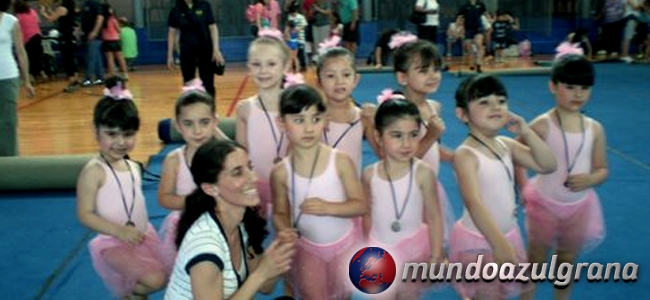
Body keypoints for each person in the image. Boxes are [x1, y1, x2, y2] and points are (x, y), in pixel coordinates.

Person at [449, 74, 556, 299]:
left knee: (525, 287)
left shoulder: (506, 144)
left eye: (501, 101)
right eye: (484, 102)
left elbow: (547, 164)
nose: (495, 107)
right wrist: (498, 243)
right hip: (480, 239)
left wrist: (526, 132)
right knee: (488, 294)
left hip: (509, 234)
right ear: (462, 114)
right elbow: (473, 202)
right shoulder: (466, 154)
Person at [519, 54, 607, 300]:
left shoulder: (594, 128)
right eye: (570, 87)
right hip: (543, 203)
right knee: (536, 257)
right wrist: (523, 185)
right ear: (553, 86)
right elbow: (516, 154)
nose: (577, 94)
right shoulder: (542, 124)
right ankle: (527, 295)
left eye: (584, 88)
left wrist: (591, 179)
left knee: (567, 258)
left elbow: (602, 168)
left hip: (579, 206)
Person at [164, 139, 297, 300]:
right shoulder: (205, 249)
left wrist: (275, 260)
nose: (253, 178)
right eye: (237, 172)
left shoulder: (242, 222)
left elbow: (266, 288)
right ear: (211, 188)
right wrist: (261, 273)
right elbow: (260, 279)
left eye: (250, 167)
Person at [271, 84, 366, 300]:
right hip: (307, 248)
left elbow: (360, 205)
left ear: (325, 120)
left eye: (315, 119)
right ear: (282, 123)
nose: (308, 128)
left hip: (344, 244)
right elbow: (279, 212)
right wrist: (284, 229)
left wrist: (328, 208)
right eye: (298, 120)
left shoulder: (340, 161)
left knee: (343, 295)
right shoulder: (280, 172)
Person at [76, 76, 168, 299]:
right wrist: (119, 231)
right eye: (111, 134)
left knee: (165, 275)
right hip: (112, 242)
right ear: (95, 130)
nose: (120, 142)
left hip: (143, 236)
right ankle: (128, 295)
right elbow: (84, 214)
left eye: (128, 134)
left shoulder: (133, 166)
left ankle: (134, 296)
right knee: (154, 279)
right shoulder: (94, 171)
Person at [362, 97, 444, 299]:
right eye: (397, 135)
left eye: (413, 135)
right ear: (378, 137)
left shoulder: (423, 172)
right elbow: (367, 216)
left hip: (413, 251)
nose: (407, 143)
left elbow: (434, 217)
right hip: (379, 249)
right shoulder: (369, 174)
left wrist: (435, 255)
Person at [392, 36, 455, 243]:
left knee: (431, 243)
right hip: (405, 189)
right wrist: (430, 135)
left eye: (436, 69)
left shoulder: (434, 107)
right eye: (423, 70)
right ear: (402, 78)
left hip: (430, 187)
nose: (432, 76)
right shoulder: (398, 109)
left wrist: (457, 158)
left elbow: (434, 150)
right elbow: (401, 160)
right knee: (409, 245)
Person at [157, 80, 223, 272]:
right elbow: (164, 198)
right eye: (188, 123)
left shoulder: (223, 156)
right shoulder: (174, 159)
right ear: (178, 125)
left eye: (204, 122)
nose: (197, 131)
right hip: (186, 227)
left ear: (215, 122)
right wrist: (196, 201)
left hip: (220, 225)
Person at [235, 33, 291, 218]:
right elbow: (240, 150)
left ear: (285, 66)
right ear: (249, 68)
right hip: (255, 183)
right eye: (256, 64)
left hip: (288, 182)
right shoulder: (245, 108)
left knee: (287, 229)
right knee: (256, 232)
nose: (263, 70)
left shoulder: (295, 106)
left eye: (271, 64)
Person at [316, 46, 377, 173]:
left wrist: (379, 122)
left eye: (346, 75)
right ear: (319, 82)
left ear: (355, 80)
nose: (339, 81)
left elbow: (383, 153)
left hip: (352, 190)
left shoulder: (363, 117)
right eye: (331, 76)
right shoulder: (314, 117)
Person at [167, 0, 225, 98]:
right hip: (187, 51)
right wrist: (169, 55)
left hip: (205, 50)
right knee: (189, 84)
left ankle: (210, 110)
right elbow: (172, 32)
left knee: (208, 83)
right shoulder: (175, 10)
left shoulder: (204, 5)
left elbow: (213, 27)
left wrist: (216, 49)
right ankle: (191, 110)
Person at [0, 0, 35, 157]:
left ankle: (10, 160)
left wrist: (26, 80)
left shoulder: (11, 21)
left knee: (8, 122)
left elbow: (21, 51)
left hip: (8, 77)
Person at [40, 0, 79, 92]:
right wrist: (49, 11)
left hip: (65, 37)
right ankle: (75, 81)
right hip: (70, 36)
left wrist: (43, 13)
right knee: (71, 60)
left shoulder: (62, 8)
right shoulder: (69, 8)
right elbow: (57, 16)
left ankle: (72, 82)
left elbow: (51, 19)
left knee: (67, 60)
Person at [14, 1, 45, 82]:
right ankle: (42, 73)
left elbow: (18, 29)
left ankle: (31, 76)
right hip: (37, 35)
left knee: (29, 58)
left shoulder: (19, 16)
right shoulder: (33, 11)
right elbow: (39, 21)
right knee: (37, 56)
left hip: (28, 38)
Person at [80, 0, 105, 87]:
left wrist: (95, 32)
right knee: (97, 58)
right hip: (87, 34)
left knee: (91, 58)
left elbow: (100, 18)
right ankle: (100, 78)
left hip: (95, 36)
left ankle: (88, 79)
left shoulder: (95, 4)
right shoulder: (84, 4)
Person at [458, 0, 488, 72]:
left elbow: (485, 13)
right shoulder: (465, 5)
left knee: (479, 44)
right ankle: (471, 65)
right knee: (469, 48)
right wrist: (459, 27)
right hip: (468, 29)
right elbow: (460, 17)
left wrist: (490, 20)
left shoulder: (480, 4)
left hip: (478, 28)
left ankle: (478, 63)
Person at [101, 4, 128, 78]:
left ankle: (112, 75)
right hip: (115, 41)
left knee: (110, 59)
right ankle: (125, 74)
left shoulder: (102, 20)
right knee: (120, 58)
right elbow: (119, 31)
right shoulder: (113, 19)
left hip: (106, 41)